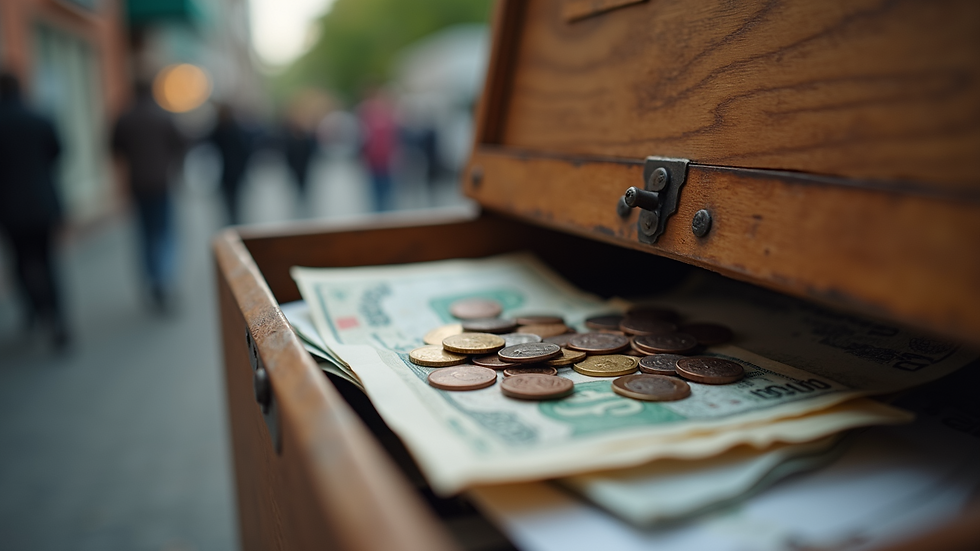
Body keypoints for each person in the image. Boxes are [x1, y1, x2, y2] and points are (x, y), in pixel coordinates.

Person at [0, 72, 70, 349]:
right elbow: (58, 153)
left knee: (20, 260)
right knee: (49, 261)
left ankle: (35, 309)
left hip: (9, 207)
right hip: (43, 203)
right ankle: (58, 319)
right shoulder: (40, 118)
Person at [111, 81, 185, 311]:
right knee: (164, 233)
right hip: (161, 184)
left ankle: (153, 280)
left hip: (138, 185)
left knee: (145, 235)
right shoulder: (162, 116)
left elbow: (114, 148)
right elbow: (180, 145)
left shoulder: (125, 118)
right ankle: (164, 279)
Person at [207, 103, 253, 224]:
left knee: (229, 200)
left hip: (226, 171)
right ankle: (235, 220)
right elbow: (246, 149)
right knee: (235, 199)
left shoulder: (218, 130)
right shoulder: (237, 129)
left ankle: (232, 220)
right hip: (236, 171)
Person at [357, 88, 398, 212]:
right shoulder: (365, 113)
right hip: (374, 161)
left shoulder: (386, 113)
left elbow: (394, 137)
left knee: (387, 195)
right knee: (378, 197)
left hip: (385, 161)